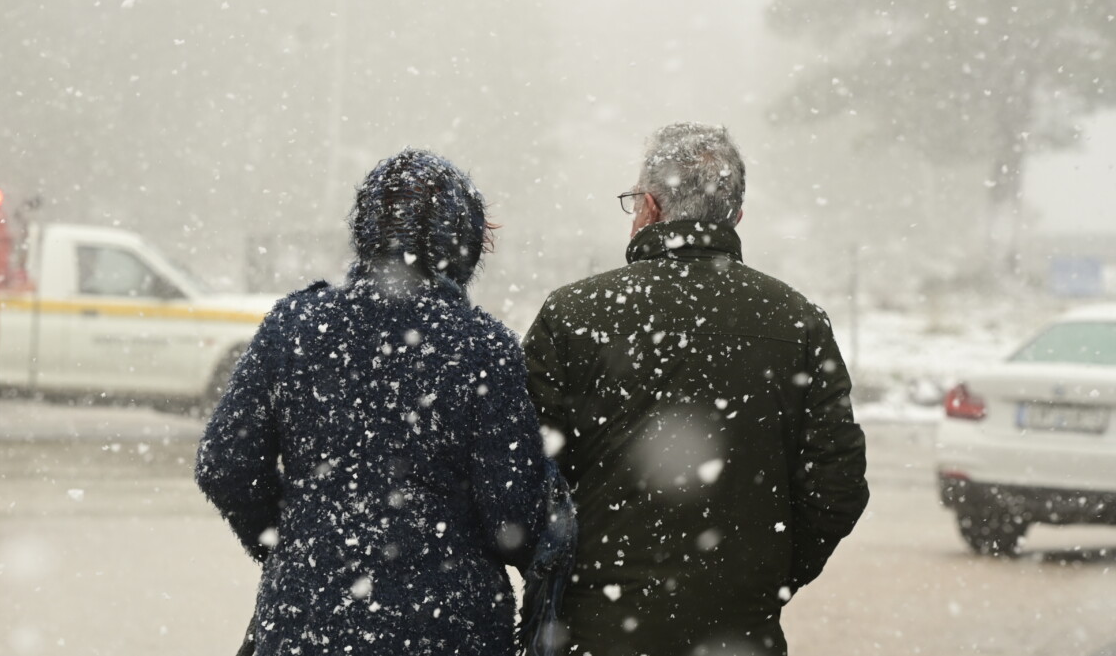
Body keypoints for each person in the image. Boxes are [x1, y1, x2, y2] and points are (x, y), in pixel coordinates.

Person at [523, 123, 869, 656]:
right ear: (734, 215)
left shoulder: (572, 315)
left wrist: (569, 572)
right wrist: (765, 576)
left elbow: (524, 474)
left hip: (595, 629)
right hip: (739, 631)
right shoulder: (797, 322)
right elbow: (837, 481)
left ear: (651, 207)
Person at [196, 149, 551, 656]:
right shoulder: (483, 347)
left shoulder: (295, 326)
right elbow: (512, 516)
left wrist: (296, 544)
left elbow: (225, 463)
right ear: (464, 245)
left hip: (307, 619)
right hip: (449, 628)